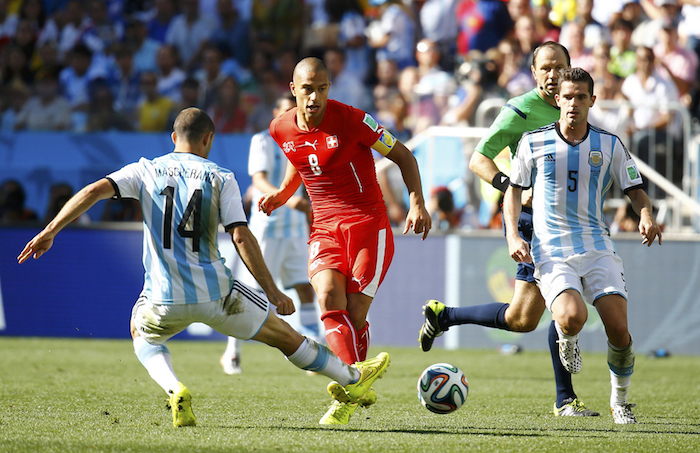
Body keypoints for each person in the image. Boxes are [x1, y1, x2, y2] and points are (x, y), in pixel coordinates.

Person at [17, 107, 390, 428]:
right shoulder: (220, 177)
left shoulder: (145, 170)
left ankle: (174, 388)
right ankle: (351, 377)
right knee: (286, 338)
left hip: (162, 299)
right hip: (218, 296)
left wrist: (50, 230)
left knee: (141, 333)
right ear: (208, 139)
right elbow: (240, 236)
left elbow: (92, 191)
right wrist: (273, 291)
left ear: (173, 137)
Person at [419, 42, 600, 417]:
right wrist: (513, 187)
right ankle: (565, 399)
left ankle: (444, 316)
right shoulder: (520, 109)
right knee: (562, 302)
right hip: (535, 221)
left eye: (559, 67)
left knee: (522, 319)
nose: (553, 75)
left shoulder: (574, 106)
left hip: (571, 220)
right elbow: (478, 158)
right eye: (545, 68)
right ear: (534, 73)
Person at [260, 57, 431, 425]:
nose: (315, 97)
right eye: (307, 89)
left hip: (368, 225)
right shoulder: (280, 127)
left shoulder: (353, 119)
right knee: (326, 297)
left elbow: (404, 156)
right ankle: (354, 385)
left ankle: (350, 391)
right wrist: (282, 193)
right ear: (293, 89)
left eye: (322, 89)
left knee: (353, 315)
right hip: (324, 226)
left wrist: (417, 201)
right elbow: (298, 159)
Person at [504, 68, 662, 424]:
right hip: (552, 249)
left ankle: (620, 402)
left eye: (580, 97)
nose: (573, 104)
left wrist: (646, 215)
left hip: (597, 246)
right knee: (573, 317)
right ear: (557, 99)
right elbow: (513, 193)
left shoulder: (609, 145)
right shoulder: (533, 142)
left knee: (618, 329)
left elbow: (635, 191)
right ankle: (567, 334)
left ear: (592, 100)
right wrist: (513, 235)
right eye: (567, 97)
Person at [220, 94, 320, 375]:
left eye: (295, 111)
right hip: (268, 228)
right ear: (276, 113)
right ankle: (232, 352)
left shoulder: (305, 139)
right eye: (286, 110)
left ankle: (313, 353)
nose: (291, 116)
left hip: (295, 230)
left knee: (305, 288)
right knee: (251, 293)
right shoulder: (263, 140)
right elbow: (259, 181)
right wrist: (289, 200)